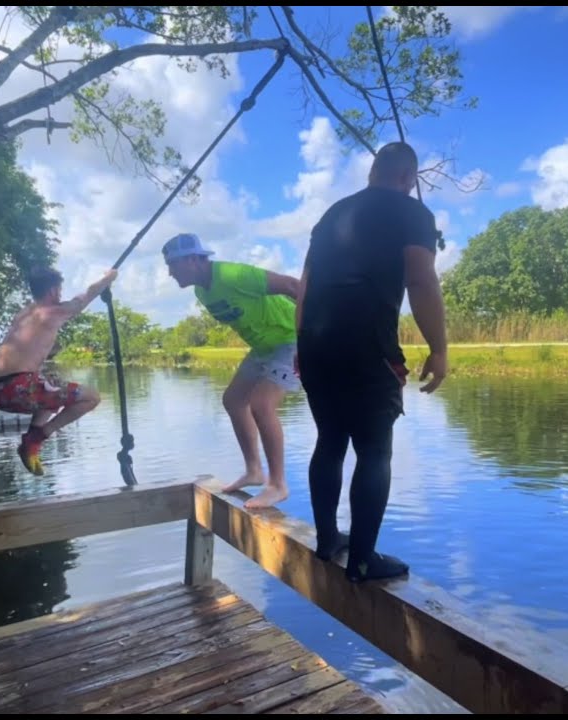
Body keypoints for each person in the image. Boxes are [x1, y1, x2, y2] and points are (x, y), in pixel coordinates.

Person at [295, 141, 449, 583]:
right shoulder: (413, 213)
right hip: (368, 349)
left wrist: (302, 346)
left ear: (372, 172)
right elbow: (421, 280)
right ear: (409, 178)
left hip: (315, 346)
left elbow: (304, 287)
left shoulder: (330, 216)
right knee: (374, 449)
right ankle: (363, 560)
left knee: (329, 440)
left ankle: (328, 541)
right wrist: (438, 348)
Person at [162, 232, 301, 509]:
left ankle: (277, 485)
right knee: (234, 400)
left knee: (262, 405)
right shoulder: (202, 291)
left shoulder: (233, 275)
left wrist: (312, 333)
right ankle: (254, 471)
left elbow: (294, 286)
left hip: (291, 340)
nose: (169, 273)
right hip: (263, 348)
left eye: (172, 265)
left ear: (192, 260)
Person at [0, 266, 117, 476]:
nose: (60, 294)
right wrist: (107, 279)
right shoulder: (52, 312)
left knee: (52, 389)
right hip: (18, 389)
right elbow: (84, 298)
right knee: (92, 397)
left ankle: (32, 439)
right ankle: (37, 437)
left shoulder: (24, 314)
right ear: (52, 291)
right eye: (59, 289)